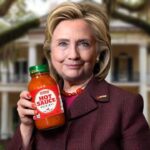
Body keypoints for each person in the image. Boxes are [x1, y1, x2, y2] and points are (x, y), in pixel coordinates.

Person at [7, 1, 150, 150]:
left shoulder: (125, 104)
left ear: (98, 53)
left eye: (83, 43)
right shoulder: (38, 105)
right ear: (51, 52)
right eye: (63, 43)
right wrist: (26, 126)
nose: (73, 55)